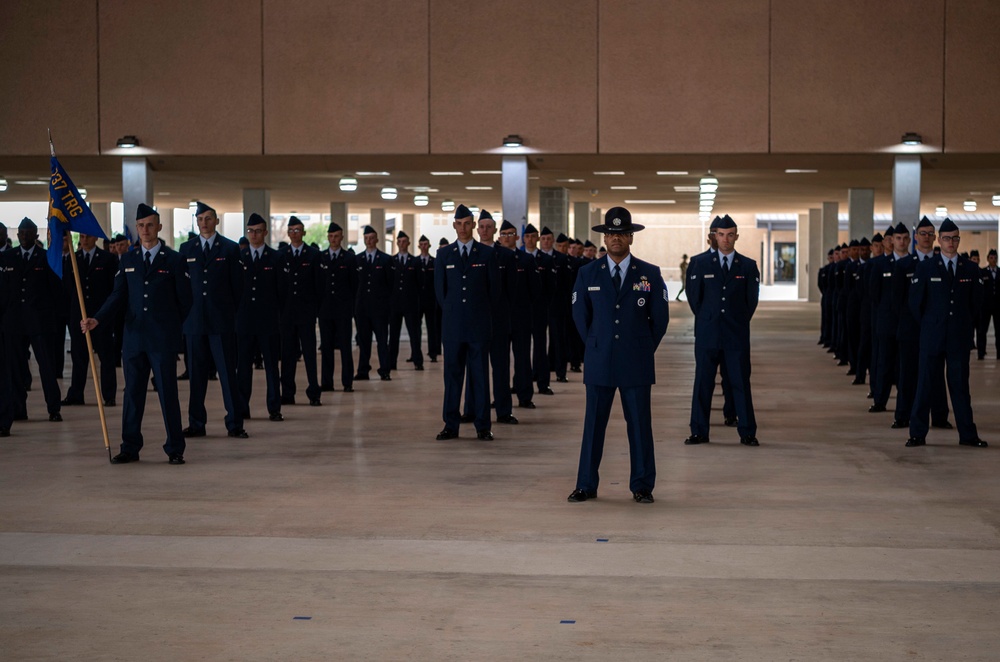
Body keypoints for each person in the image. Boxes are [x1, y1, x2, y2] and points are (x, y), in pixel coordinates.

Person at [568, 207, 669, 504]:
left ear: (630, 238)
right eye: (611, 234)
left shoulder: (649, 274)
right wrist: (595, 344)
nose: (616, 239)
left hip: (635, 361)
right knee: (593, 425)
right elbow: (579, 316)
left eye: (622, 234)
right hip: (600, 360)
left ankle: (642, 485)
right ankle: (586, 484)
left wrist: (641, 347)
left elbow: (659, 320)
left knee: (639, 425)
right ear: (605, 238)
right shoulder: (587, 273)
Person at [81, 204, 192, 464]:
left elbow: (186, 301)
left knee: (167, 393)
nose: (145, 230)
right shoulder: (128, 259)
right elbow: (118, 295)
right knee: (132, 393)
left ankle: (175, 448)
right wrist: (98, 318)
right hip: (134, 338)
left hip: (162, 340)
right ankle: (130, 447)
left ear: (159, 227)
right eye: (141, 226)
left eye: (150, 225)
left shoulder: (174, 259)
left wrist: (170, 327)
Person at [906, 219, 986, 448]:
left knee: (960, 386)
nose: (952, 243)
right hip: (932, 336)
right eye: (947, 238)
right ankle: (917, 433)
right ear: (939, 240)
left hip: (958, 338)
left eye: (956, 238)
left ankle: (968, 435)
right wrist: (931, 324)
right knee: (925, 385)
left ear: (959, 240)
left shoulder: (970, 269)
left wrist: (962, 324)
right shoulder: (926, 268)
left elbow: (976, 304)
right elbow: (915, 303)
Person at [684, 214, 761, 447]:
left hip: (736, 335)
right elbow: (694, 298)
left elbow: (751, 302)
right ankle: (699, 431)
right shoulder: (699, 263)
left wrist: (736, 321)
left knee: (740, 381)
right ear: (714, 236)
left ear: (736, 236)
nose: (725, 239)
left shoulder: (747, 266)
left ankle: (747, 431)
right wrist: (709, 318)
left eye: (730, 235)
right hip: (708, 333)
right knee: (703, 382)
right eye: (721, 235)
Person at [178, 202, 247, 438]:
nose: (204, 223)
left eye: (208, 218)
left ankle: (235, 423)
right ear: (196, 222)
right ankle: (196, 423)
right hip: (194, 322)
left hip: (221, 322)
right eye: (200, 219)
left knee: (227, 373)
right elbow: (182, 287)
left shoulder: (229, 248)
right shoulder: (186, 249)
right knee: (196, 376)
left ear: (216, 221)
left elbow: (238, 287)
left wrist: (228, 313)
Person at [434, 204, 500, 441]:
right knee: (452, 376)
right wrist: (454, 312)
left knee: (480, 376)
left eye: (467, 223)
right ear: (454, 226)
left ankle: (482, 425)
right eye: (459, 224)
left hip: (479, 326)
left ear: (473, 225)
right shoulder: (444, 255)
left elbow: (494, 292)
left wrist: (480, 315)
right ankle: (450, 425)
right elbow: (440, 292)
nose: (463, 228)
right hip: (453, 327)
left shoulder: (487, 254)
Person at [0, 218, 64, 423]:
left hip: (40, 322)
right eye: (22, 233)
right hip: (14, 322)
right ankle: (19, 409)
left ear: (36, 236)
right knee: (16, 369)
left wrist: (54, 318)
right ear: (17, 236)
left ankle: (54, 408)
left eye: (29, 233)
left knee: (47, 367)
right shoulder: (7, 258)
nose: (25, 236)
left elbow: (56, 292)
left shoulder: (46, 258)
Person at [461, 211, 517, 425]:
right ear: (477, 229)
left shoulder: (506, 256)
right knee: (474, 367)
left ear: (495, 230)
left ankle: (503, 410)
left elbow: (511, 291)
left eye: (489, 227)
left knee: (501, 367)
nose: (484, 230)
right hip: (474, 322)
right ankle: (471, 410)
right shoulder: (469, 253)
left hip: (498, 321)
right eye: (481, 226)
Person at [237, 213, 286, 421]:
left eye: (257, 231)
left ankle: (274, 408)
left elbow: (281, 291)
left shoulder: (276, 258)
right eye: (250, 231)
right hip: (245, 321)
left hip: (268, 322)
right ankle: (241, 407)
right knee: (243, 367)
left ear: (265, 232)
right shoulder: (240, 257)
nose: (254, 235)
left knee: (271, 366)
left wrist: (279, 318)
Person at [61, 233, 118, 407]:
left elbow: (112, 288)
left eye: (87, 237)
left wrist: (105, 315)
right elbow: (68, 287)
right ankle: (76, 394)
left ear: (95, 238)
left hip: (100, 318)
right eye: (82, 237)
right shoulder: (72, 258)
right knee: (79, 357)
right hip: (79, 317)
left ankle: (109, 395)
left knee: (106, 358)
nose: (84, 240)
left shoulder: (108, 259)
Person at [279, 216, 323, 405]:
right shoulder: (282, 255)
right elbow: (279, 285)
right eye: (291, 230)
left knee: (309, 354)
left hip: (306, 313)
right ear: (288, 233)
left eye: (298, 230)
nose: (295, 234)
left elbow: (318, 284)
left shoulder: (313, 254)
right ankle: (288, 393)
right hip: (287, 314)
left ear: (303, 233)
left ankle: (314, 392)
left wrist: (315, 310)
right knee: (287, 354)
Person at [498, 220, 539, 409]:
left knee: (522, 359)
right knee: (500, 362)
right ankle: (501, 397)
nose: (507, 237)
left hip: (521, 317)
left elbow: (534, 290)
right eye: (504, 234)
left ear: (516, 237)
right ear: (500, 237)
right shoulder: (493, 258)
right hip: (499, 318)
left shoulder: (526, 260)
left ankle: (525, 396)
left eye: (511, 234)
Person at [318, 221, 358, 391]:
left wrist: (350, 306)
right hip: (325, 310)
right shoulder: (321, 257)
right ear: (328, 237)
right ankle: (327, 382)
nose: (333, 239)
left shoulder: (349, 258)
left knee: (345, 347)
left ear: (342, 237)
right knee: (326, 347)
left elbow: (354, 284)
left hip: (343, 310)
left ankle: (347, 382)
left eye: (336, 236)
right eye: (331, 236)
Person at [354, 225, 393, 381]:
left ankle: (385, 370)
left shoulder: (385, 259)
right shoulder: (357, 259)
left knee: (382, 341)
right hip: (362, 308)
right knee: (363, 341)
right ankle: (363, 370)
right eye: (366, 238)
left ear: (377, 239)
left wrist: (387, 306)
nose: (369, 241)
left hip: (379, 308)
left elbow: (391, 284)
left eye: (371, 238)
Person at [522, 224, 554, 395]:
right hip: (522, 312)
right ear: (523, 239)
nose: (530, 240)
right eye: (527, 236)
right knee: (522, 351)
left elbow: (550, 288)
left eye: (533, 236)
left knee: (541, 348)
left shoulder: (546, 260)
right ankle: (521, 383)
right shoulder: (517, 258)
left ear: (537, 238)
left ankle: (543, 383)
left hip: (540, 310)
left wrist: (543, 305)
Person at [388, 230, 424, 371]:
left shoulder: (415, 261)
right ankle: (391, 362)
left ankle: (418, 361)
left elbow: (420, 282)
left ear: (409, 243)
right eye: (400, 241)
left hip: (410, 303)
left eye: (404, 241)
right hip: (395, 304)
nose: (402, 244)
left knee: (414, 334)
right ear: (397, 243)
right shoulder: (392, 261)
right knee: (394, 335)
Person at [415, 235, 439, 363]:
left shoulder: (434, 262)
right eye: (421, 244)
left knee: (432, 328)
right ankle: (416, 353)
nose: (424, 246)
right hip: (418, 300)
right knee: (416, 329)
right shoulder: (415, 262)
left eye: (426, 244)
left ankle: (433, 352)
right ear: (419, 246)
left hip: (430, 300)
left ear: (429, 246)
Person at [977, 248, 998, 360]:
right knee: (982, 330)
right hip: (985, 306)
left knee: (998, 330)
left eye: (995, 258)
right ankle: (981, 352)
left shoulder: (999, 272)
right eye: (991, 258)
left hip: (997, 306)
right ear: (987, 259)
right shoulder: (983, 272)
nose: (993, 260)